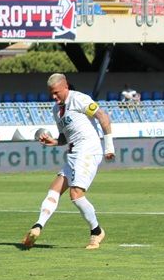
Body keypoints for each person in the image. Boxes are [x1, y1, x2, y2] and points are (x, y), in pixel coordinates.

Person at [22, 73, 116, 250]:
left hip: (88, 150)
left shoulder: (79, 99)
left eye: (56, 92)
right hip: (73, 154)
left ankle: (96, 231)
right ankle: (37, 227)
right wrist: (54, 141)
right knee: (54, 189)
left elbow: (103, 116)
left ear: (65, 87)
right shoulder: (56, 110)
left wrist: (109, 147)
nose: (53, 96)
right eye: (51, 93)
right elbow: (65, 137)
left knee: (76, 194)